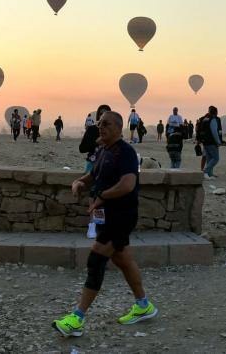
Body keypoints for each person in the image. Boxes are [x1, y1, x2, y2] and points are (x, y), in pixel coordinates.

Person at [53, 111, 157, 337]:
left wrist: (103, 197)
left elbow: (128, 184)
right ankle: (143, 306)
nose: (101, 127)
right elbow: (93, 176)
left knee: (96, 259)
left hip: (121, 215)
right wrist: (79, 181)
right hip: (105, 215)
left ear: (120, 128)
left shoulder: (126, 152)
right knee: (122, 259)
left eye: (107, 124)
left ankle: (77, 319)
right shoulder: (102, 150)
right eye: (100, 124)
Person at [79, 105, 111, 173]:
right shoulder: (92, 129)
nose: (103, 116)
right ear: (98, 116)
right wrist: (96, 143)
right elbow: (82, 149)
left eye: (106, 113)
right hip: (92, 164)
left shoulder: (113, 130)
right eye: (101, 113)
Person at [200, 106, 224, 179]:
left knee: (209, 158)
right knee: (216, 158)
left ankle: (210, 174)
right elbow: (214, 132)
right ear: (216, 112)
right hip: (211, 142)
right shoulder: (213, 119)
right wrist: (218, 141)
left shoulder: (205, 119)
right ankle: (206, 171)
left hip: (205, 141)